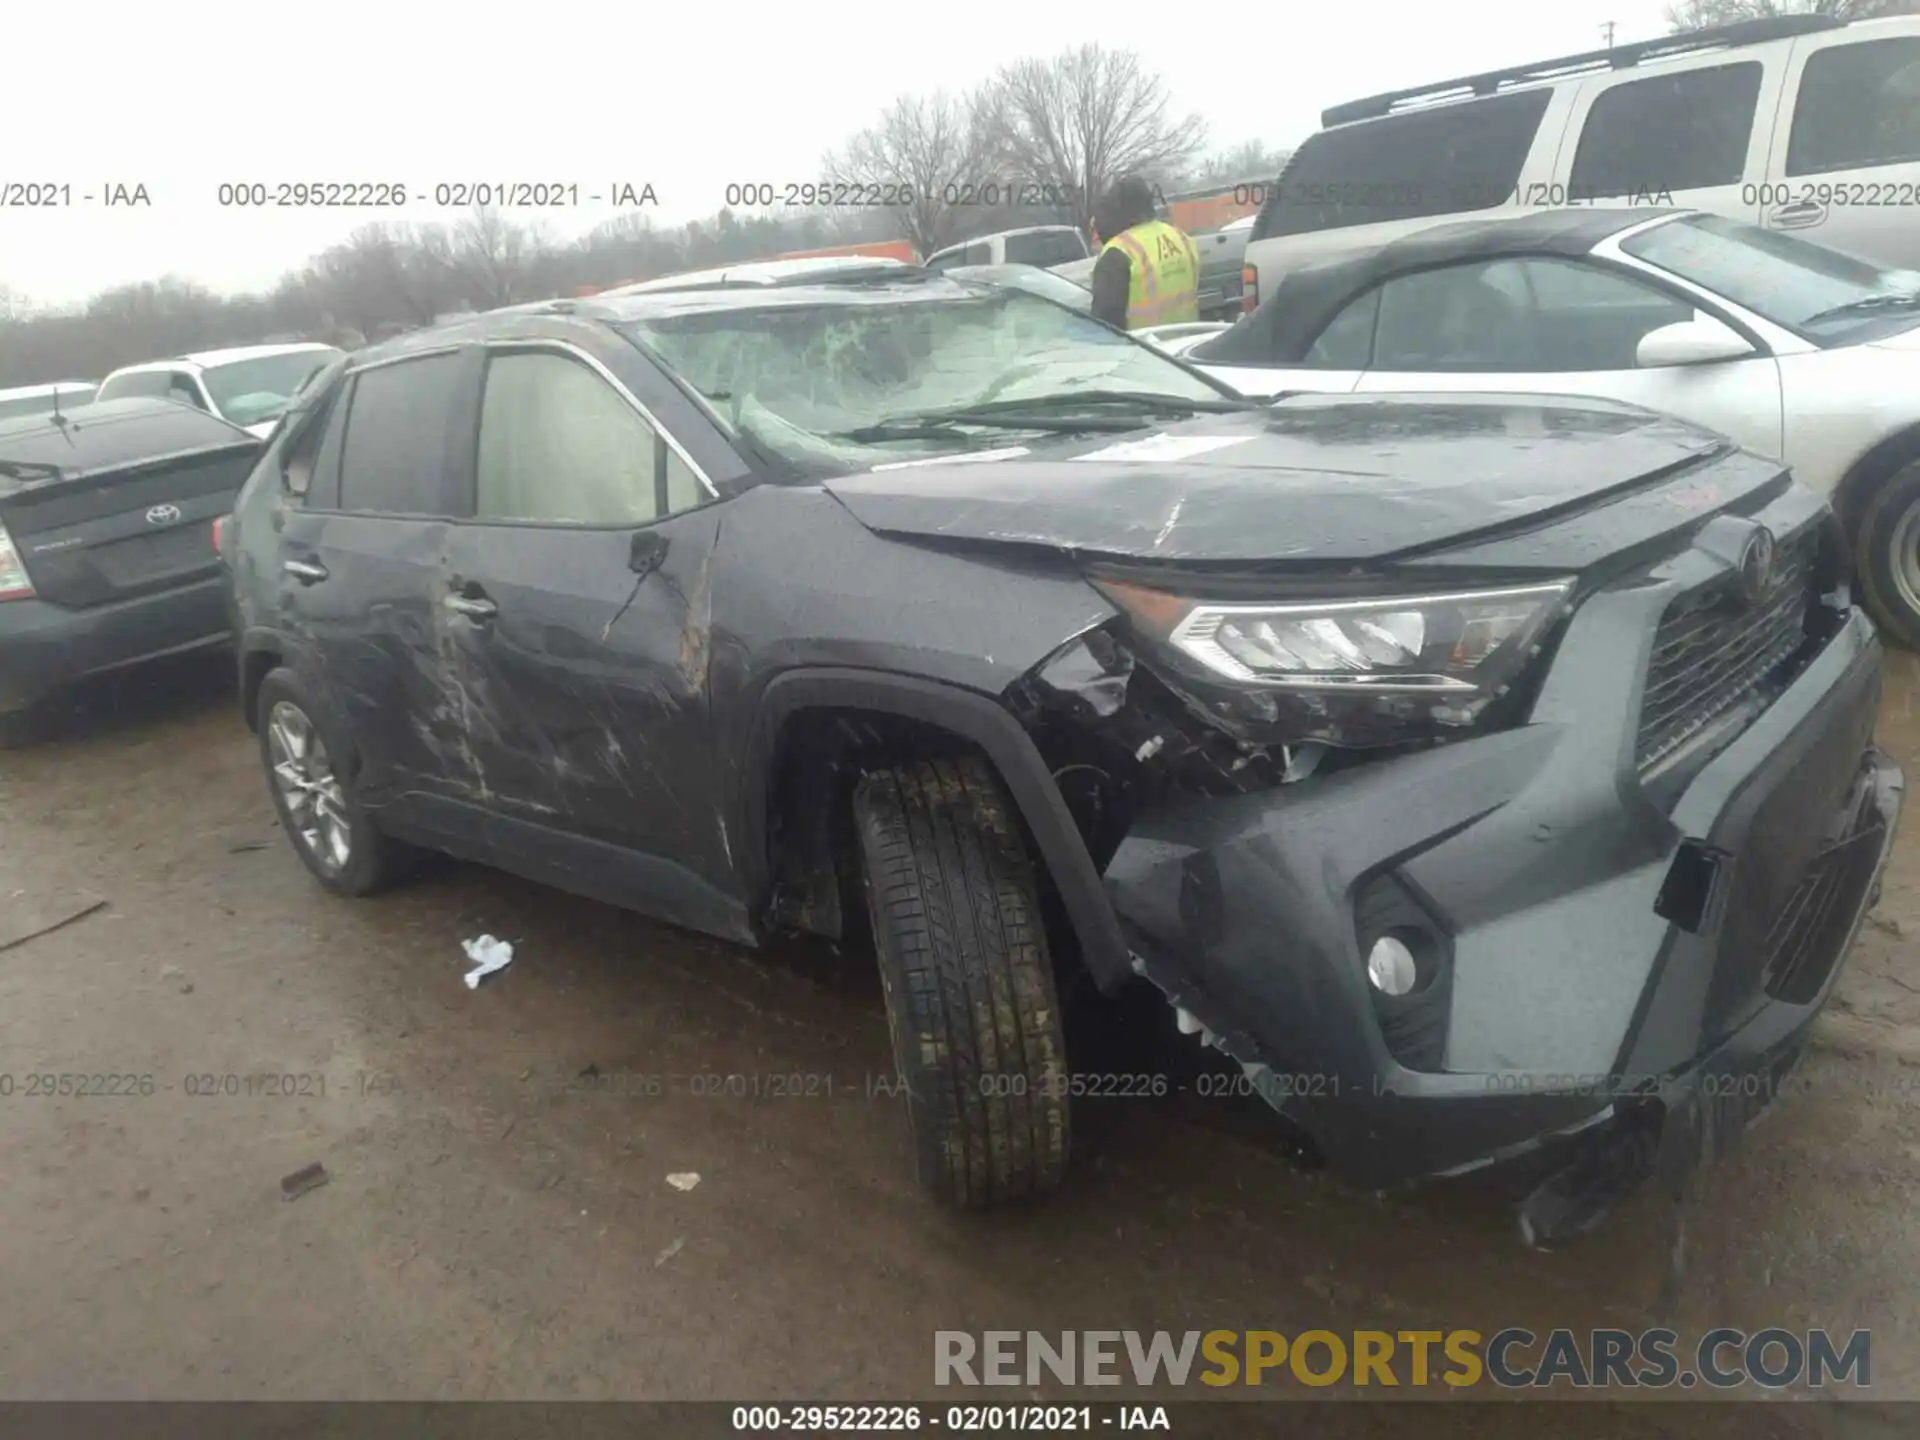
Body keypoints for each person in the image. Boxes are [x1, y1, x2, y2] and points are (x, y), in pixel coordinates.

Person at [1087, 175, 1201, 332]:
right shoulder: (1181, 237)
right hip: (1186, 345)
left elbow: (1104, 327)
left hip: (1143, 350)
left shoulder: (1118, 252)